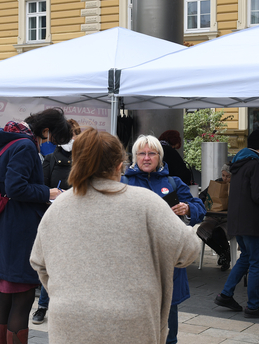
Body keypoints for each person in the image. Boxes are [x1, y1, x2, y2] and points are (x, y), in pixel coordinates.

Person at [30, 128, 200, 344]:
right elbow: (189, 250)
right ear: (120, 164)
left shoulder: (60, 205)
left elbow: (39, 262)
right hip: (130, 322)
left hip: (69, 320)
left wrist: (66, 292)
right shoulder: (147, 202)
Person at [0, 108, 72, 344]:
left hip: (7, 225)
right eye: (50, 138)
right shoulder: (25, 145)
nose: (48, 144)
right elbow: (15, 187)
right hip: (19, 230)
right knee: (21, 299)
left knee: (6, 297)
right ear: (45, 130)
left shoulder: (10, 140)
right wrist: (49, 192)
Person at [122, 134, 206, 344]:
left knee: (169, 319)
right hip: (134, 260)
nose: (147, 158)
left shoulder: (173, 182)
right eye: (142, 153)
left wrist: (187, 208)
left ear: (160, 157)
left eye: (152, 153)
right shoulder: (123, 182)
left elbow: (199, 208)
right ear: (135, 157)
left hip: (167, 260)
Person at [213, 129, 259, 319]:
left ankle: (226, 295)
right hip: (252, 222)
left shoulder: (239, 164)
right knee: (258, 262)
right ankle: (253, 306)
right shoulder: (256, 166)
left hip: (237, 221)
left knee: (246, 258)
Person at [31, 119, 81, 325]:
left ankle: (72, 307)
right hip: (56, 216)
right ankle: (43, 305)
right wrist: (52, 195)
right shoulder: (50, 158)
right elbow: (42, 187)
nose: (73, 139)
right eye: (70, 136)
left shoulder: (86, 158)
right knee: (52, 263)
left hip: (81, 218)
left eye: (76, 135)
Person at [197, 164, 232, 271]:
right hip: (215, 216)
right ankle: (223, 253)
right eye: (223, 175)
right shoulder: (218, 182)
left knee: (218, 233)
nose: (224, 178)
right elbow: (203, 195)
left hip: (229, 219)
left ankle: (225, 254)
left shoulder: (237, 186)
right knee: (201, 231)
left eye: (228, 176)